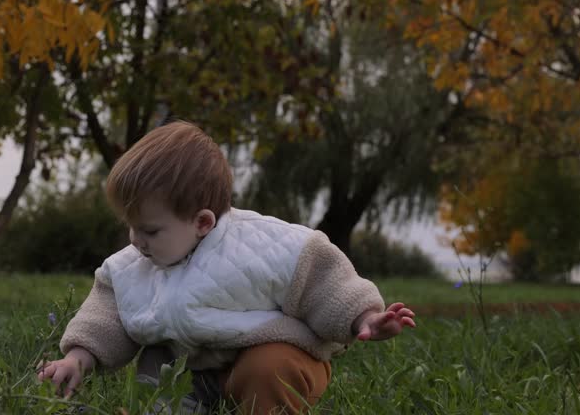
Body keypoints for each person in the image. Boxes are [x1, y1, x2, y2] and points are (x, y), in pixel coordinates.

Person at [38, 121, 416, 414]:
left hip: (265, 365)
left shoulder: (260, 244)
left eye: (150, 229)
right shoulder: (133, 265)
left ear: (202, 222)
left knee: (269, 366)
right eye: (131, 226)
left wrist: (364, 317)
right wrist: (78, 357)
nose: (136, 239)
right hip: (189, 371)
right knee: (158, 372)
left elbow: (322, 275)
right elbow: (107, 312)